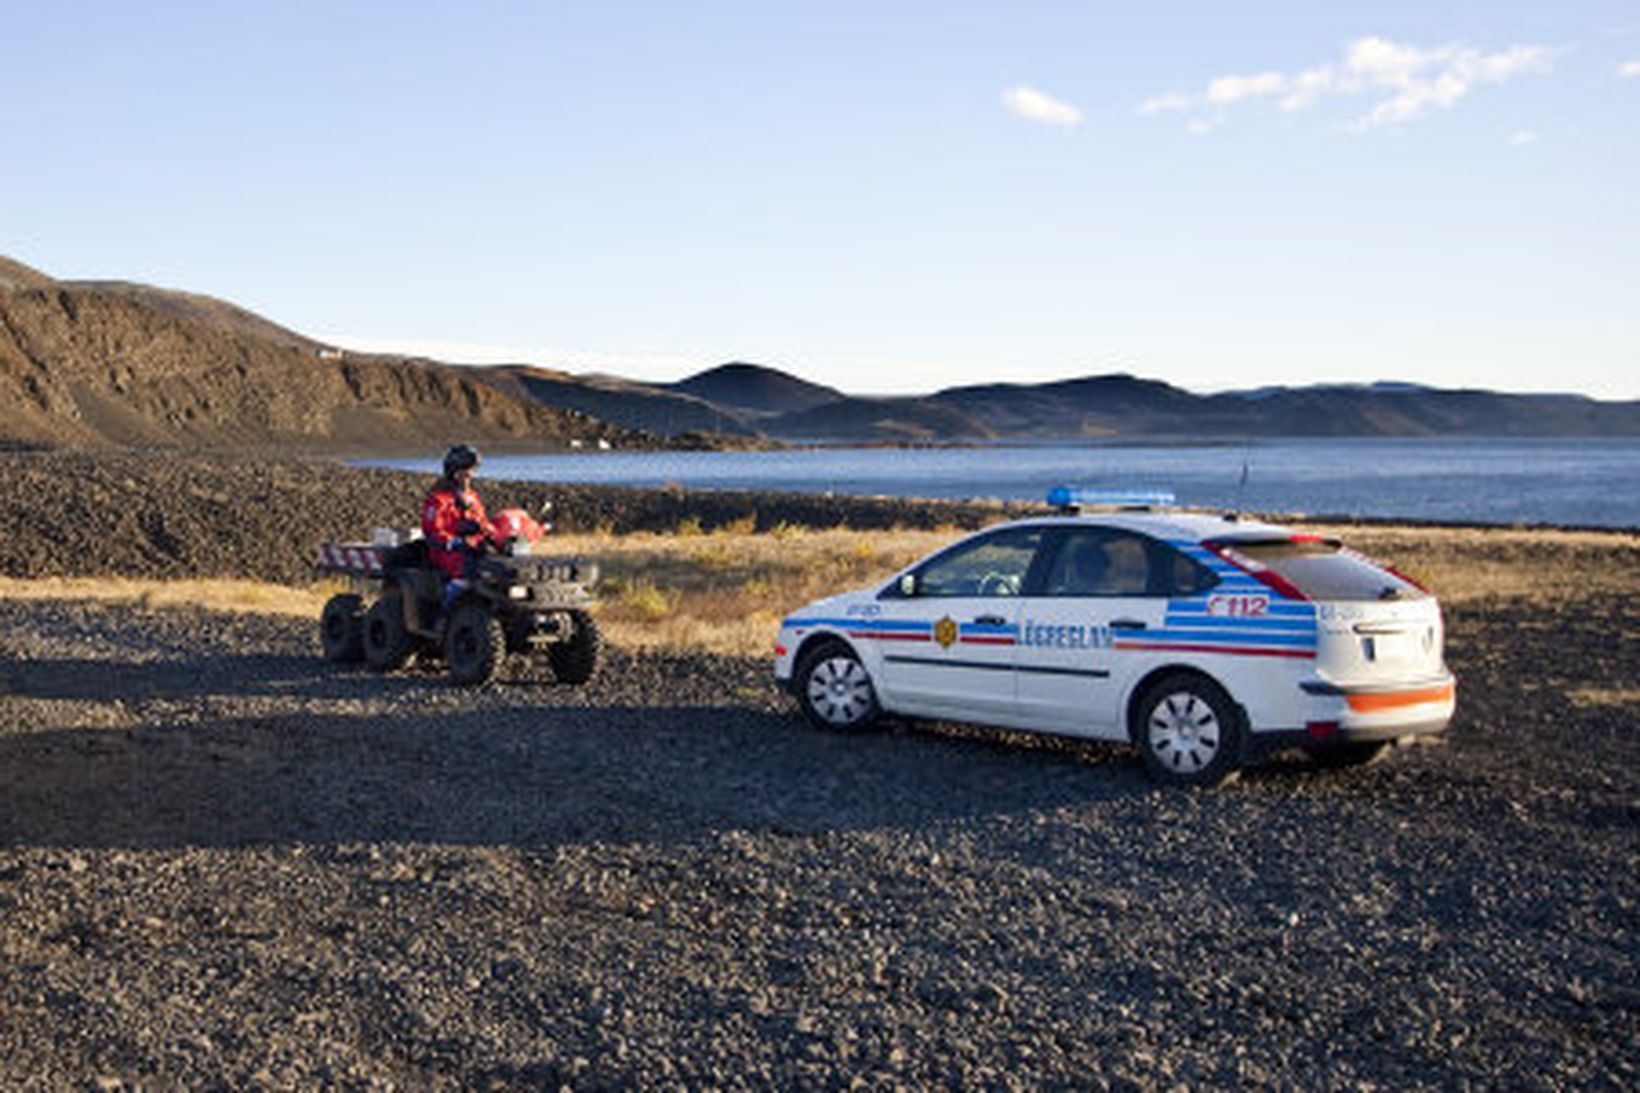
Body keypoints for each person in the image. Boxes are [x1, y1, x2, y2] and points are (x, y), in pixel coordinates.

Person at [422, 444, 496, 602]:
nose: (470, 477)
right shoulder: (438, 500)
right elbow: (433, 532)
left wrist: (494, 534)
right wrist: (455, 541)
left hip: (474, 549)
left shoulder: (472, 498)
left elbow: (483, 522)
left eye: (472, 473)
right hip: (447, 553)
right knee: (465, 572)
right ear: (455, 474)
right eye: (467, 473)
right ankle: (446, 610)